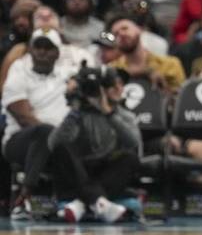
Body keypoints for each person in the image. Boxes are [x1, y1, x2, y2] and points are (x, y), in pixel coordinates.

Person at [47, 64, 141, 223]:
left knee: (129, 158)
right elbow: (53, 144)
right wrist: (75, 108)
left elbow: (134, 143)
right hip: (79, 172)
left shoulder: (125, 116)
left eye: (121, 84)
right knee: (61, 149)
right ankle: (99, 203)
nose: (119, 88)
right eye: (113, 84)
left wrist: (108, 112)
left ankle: (82, 204)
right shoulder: (78, 114)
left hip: (106, 174)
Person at [1, 29, 73, 220]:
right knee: (44, 131)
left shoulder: (68, 75)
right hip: (19, 142)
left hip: (59, 143)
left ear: (57, 52)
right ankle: (24, 196)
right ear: (31, 50)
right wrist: (54, 137)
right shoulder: (18, 70)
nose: (42, 52)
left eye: (48, 48)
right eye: (37, 47)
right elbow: (22, 116)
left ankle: (82, 202)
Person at [108, 14, 185, 94]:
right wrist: (144, 73)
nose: (121, 34)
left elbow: (181, 100)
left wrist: (163, 88)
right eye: (116, 34)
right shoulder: (111, 70)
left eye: (125, 28)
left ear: (139, 29)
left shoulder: (170, 65)